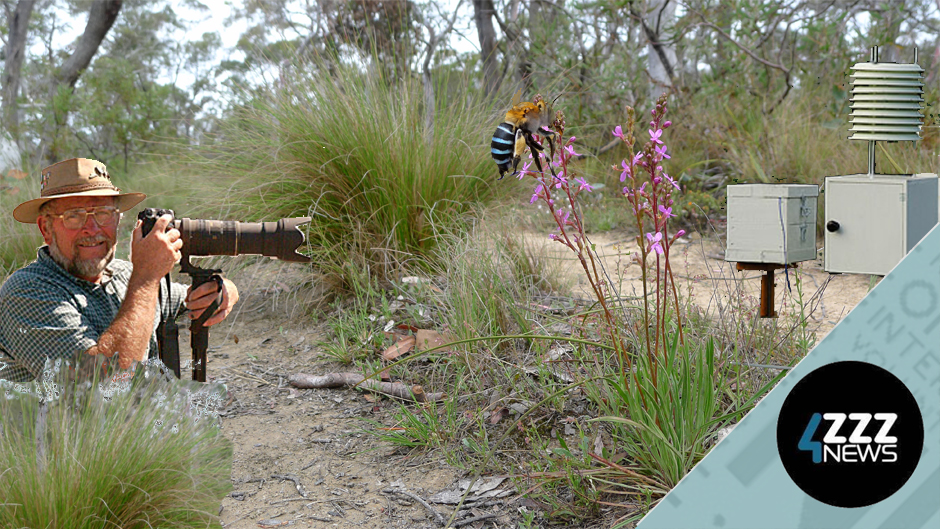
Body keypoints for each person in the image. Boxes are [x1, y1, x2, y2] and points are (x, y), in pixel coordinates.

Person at [0, 158, 239, 383]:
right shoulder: (26, 293)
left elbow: (187, 300)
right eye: (74, 216)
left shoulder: (124, 275)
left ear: (118, 220)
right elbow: (104, 384)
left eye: (103, 213)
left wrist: (224, 290)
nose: (92, 229)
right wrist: (146, 277)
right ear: (46, 228)